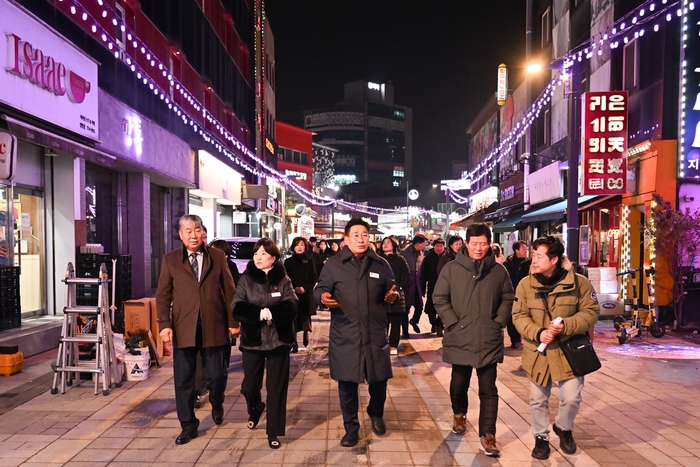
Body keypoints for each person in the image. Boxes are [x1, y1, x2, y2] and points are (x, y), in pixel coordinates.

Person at [511, 236, 600, 460]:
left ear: (555, 259)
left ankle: (564, 427)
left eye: (539, 256)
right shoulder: (525, 284)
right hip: (538, 351)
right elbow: (518, 316)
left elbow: (591, 312)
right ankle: (541, 437)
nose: (534, 260)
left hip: (569, 352)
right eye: (533, 256)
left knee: (571, 398)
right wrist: (537, 332)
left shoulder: (579, 283)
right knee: (538, 399)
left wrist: (567, 325)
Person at [314, 218, 398, 447]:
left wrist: (393, 297)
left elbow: (392, 289)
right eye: (356, 235)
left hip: (374, 332)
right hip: (346, 333)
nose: (361, 240)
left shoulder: (380, 264)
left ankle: (376, 413)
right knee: (347, 384)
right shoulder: (333, 265)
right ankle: (351, 427)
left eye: (364, 235)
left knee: (379, 380)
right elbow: (320, 289)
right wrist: (322, 297)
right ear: (346, 239)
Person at [433, 223, 514, 457]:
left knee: (488, 389)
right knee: (459, 383)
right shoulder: (451, 269)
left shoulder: (499, 271)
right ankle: (459, 415)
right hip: (460, 335)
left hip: (488, 338)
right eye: (474, 243)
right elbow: (439, 297)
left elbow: (508, 297)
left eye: (483, 243)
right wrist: (452, 322)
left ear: (489, 244)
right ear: (466, 244)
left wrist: (498, 321)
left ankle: (488, 435)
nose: (479, 248)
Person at [155, 214, 237, 445]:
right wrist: (164, 325)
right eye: (188, 231)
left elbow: (229, 290)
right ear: (180, 235)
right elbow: (162, 295)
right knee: (184, 380)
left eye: (197, 230)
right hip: (184, 328)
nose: (194, 235)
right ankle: (188, 426)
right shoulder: (170, 260)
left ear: (203, 232)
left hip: (214, 324)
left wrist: (233, 322)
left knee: (217, 374)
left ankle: (218, 400)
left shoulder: (218, 256)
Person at [232, 238, 298, 450]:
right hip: (253, 340)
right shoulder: (246, 279)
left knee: (276, 388)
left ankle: (274, 431)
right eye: (256, 253)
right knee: (250, 385)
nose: (258, 257)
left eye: (263, 254)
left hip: (279, 340)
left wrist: (275, 313)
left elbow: (292, 304)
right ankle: (256, 407)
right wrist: (257, 313)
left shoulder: (283, 279)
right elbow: (236, 306)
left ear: (274, 257)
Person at [284, 236, 318, 353]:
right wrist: (293, 289)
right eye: (297, 245)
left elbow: (313, 278)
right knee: (292, 319)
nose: (299, 247)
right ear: (293, 247)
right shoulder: (288, 262)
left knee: (304, 318)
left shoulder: (310, 261)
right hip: (292, 294)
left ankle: (305, 334)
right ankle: (294, 341)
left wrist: (305, 288)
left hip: (305, 295)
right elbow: (285, 278)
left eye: (302, 245)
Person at [378, 237, 410, 355]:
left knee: (396, 322)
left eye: (388, 243)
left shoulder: (400, 259)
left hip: (396, 294)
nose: (385, 245)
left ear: (394, 245)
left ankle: (393, 345)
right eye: (384, 243)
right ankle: (382, 343)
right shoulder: (378, 259)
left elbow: (407, 275)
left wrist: (400, 287)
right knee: (382, 321)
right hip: (381, 294)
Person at [503, 240, 529, 348]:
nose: (525, 251)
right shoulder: (508, 264)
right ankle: (515, 339)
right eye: (523, 249)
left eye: (526, 248)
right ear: (516, 250)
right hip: (512, 294)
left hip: (525, 294)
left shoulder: (529, 263)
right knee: (512, 317)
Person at [401, 234, 427, 336]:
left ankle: (414, 321)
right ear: (418, 244)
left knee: (419, 306)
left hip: (417, 285)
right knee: (405, 309)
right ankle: (405, 331)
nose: (424, 246)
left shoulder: (422, 253)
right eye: (423, 244)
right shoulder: (404, 253)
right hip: (408, 285)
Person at [421, 238, 446, 336]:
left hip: (445, 286)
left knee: (443, 306)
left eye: (441, 246)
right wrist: (423, 288)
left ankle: (440, 326)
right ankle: (433, 323)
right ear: (433, 246)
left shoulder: (447, 257)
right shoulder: (428, 258)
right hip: (432, 285)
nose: (439, 248)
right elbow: (424, 274)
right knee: (431, 307)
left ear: (444, 246)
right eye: (437, 246)